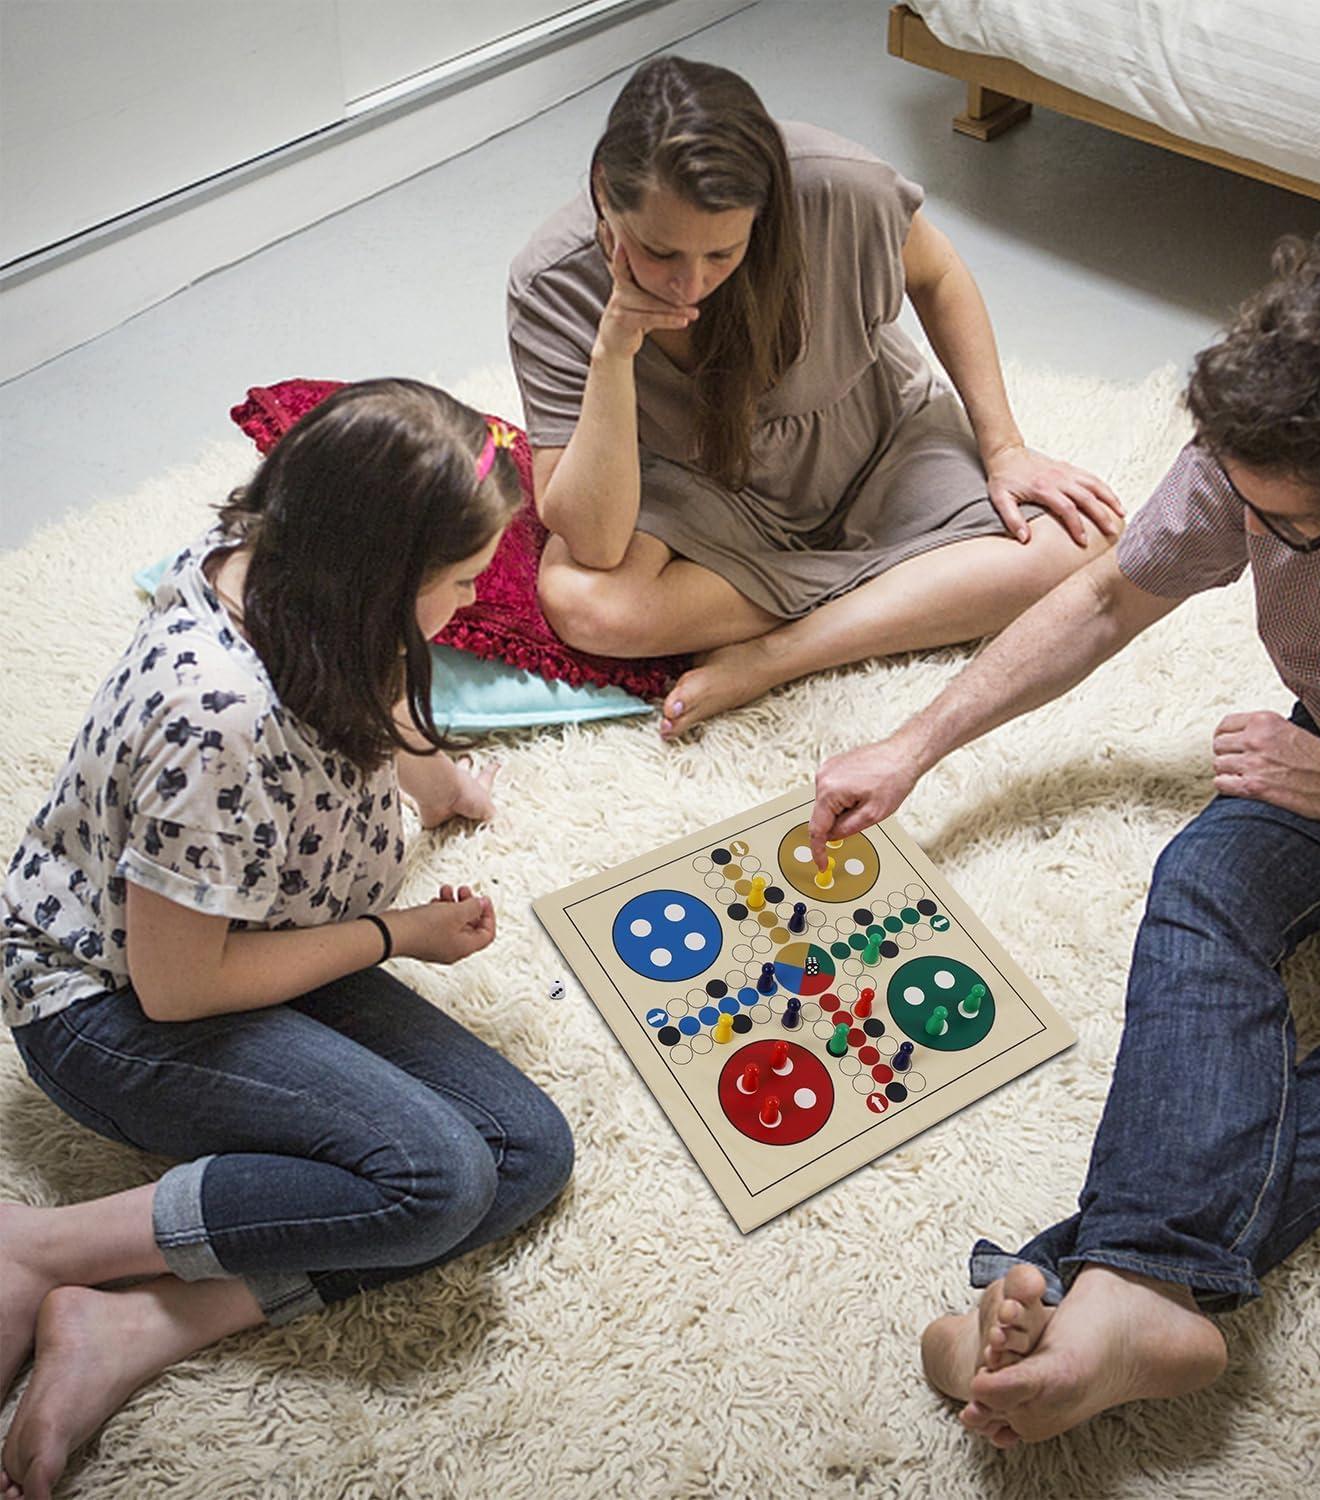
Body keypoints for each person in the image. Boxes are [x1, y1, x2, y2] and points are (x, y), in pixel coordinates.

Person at [807, 231, 1320, 1447]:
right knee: (1201, 885)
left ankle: (1067, 1281)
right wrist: (911, 745)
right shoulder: (1260, 446)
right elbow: (1107, 595)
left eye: (1278, 523)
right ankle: (1136, 1304)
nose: (1240, 519)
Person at [0, 380, 574, 1499]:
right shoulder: (215, 717)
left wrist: (446, 785)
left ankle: (147, 1326)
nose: (470, 606)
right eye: (459, 584)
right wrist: (394, 932)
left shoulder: (307, 574)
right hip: (113, 1005)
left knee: (527, 1154)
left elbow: (372, 691)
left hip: (264, 928)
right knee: (439, 1179)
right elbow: (177, 989)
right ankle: (38, 1249)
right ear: (379, 580)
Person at [508, 56, 1124, 739]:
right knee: (584, 603)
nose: (689, 285)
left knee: (1086, 540)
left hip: (877, 440)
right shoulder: (551, 282)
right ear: (604, 191)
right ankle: (916, 590)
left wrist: (1005, 448)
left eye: (722, 253)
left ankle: (785, 651)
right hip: (704, 489)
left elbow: (939, 273)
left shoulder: (837, 185)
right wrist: (613, 352)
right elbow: (592, 541)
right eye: (660, 252)